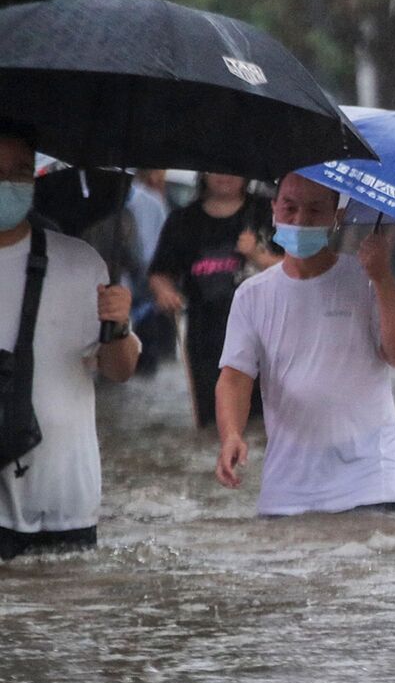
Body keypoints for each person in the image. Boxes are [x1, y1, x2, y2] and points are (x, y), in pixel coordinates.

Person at [213, 173, 395, 516]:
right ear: (274, 209)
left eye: (314, 210)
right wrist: (231, 434)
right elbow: (234, 378)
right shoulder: (252, 295)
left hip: (369, 482)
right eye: (290, 208)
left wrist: (383, 279)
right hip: (286, 488)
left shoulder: (366, 279)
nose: (300, 220)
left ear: (336, 216)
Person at [0, 119, 140, 559]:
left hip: (66, 502)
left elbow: (119, 370)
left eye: (19, 172)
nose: (8, 184)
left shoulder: (80, 263)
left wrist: (118, 324)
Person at [149, 172, 273, 427]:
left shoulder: (267, 212)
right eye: (215, 169)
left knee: (263, 419)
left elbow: (297, 267)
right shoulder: (182, 221)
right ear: (202, 173)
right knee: (214, 419)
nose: (224, 176)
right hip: (204, 335)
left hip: (263, 334)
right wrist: (165, 293)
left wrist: (258, 256)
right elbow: (160, 273)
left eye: (232, 169)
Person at [121, 168, 173, 377]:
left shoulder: (152, 204)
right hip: (113, 294)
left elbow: (163, 249)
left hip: (145, 297)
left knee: (145, 366)